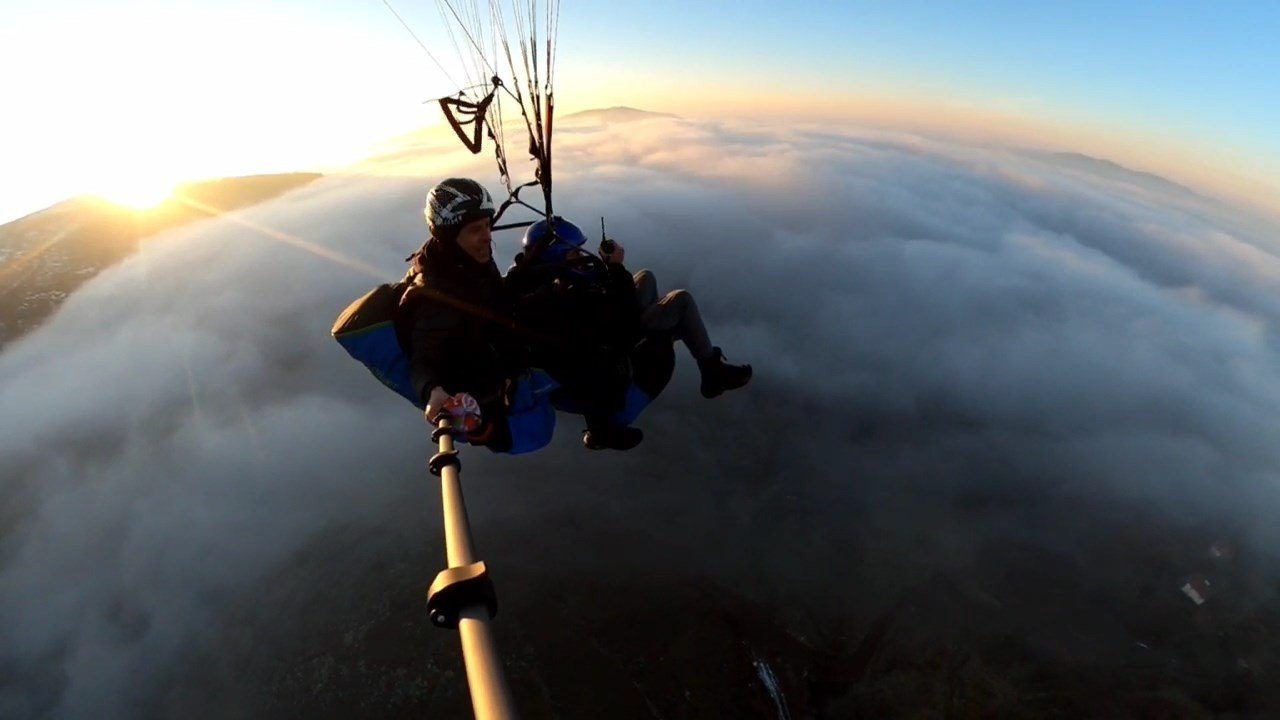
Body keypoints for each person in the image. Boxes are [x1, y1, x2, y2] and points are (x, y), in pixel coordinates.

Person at [507, 217, 752, 448]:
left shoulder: (541, 282)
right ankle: (712, 372)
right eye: (574, 252)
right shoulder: (561, 296)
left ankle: (694, 351)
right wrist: (615, 269)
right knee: (681, 301)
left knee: (646, 277)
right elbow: (616, 315)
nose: (581, 255)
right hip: (616, 340)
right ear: (556, 255)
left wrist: (606, 271)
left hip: (604, 330)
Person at [405, 177, 526, 452]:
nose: (487, 237)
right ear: (449, 238)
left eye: (487, 226)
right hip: (490, 398)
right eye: (475, 230)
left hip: (506, 358)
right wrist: (431, 390)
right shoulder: (436, 296)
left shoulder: (470, 261)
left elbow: (494, 300)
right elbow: (423, 358)